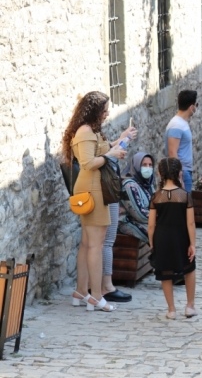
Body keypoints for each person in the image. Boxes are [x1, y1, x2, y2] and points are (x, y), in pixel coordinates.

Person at [62, 91, 133, 312]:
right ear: (94, 111)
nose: (107, 113)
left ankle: (81, 291)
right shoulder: (84, 132)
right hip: (92, 189)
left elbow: (102, 149)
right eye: (104, 110)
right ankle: (96, 296)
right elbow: (88, 162)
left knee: (87, 243)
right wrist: (112, 155)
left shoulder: (89, 131)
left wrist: (121, 138)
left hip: (94, 187)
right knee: (95, 244)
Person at [147, 158, 197, 320]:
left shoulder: (156, 197)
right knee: (189, 268)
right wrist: (192, 244)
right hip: (181, 236)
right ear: (179, 173)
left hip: (162, 237)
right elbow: (190, 222)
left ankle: (171, 309)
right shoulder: (184, 196)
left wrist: (152, 243)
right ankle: (189, 306)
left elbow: (151, 225)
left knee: (165, 272)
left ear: (160, 173)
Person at [119, 152, 156, 244]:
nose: (148, 168)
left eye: (150, 165)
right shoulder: (130, 185)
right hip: (129, 222)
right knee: (161, 234)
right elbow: (139, 215)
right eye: (144, 165)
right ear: (136, 166)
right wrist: (161, 217)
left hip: (146, 221)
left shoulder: (148, 184)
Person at [165, 90, 197, 192]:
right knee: (184, 205)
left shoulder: (181, 123)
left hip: (185, 171)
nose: (196, 108)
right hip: (182, 172)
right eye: (196, 105)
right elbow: (172, 152)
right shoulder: (176, 125)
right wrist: (179, 175)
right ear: (192, 107)